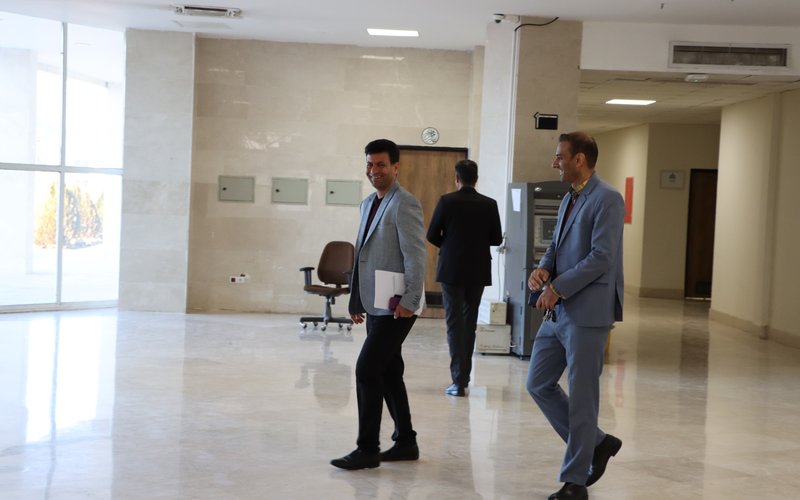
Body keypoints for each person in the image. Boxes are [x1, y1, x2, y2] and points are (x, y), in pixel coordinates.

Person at [526, 132, 625, 500]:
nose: (555, 162)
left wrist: (557, 288)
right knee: (538, 383)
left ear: (579, 159)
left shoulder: (608, 199)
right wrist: (543, 268)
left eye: (560, 156)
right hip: (559, 309)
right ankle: (597, 443)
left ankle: (575, 482)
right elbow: (555, 245)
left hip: (587, 313)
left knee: (583, 398)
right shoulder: (570, 196)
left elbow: (602, 257)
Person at [330, 139, 426, 470]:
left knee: (367, 369)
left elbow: (416, 256)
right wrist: (356, 298)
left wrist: (410, 300)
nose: (374, 170)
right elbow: (364, 256)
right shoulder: (367, 203)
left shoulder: (405, 203)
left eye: (381, 164)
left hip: (398, 305)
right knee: (389, 371)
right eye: (370, 164)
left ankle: (368, 448)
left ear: (395, 167)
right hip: (375, 302)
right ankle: (406, 442)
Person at [426, 159, 502, 397]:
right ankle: (464, 379)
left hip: (451, 269)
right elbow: (496, 239)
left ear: (457, 179)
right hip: (478, 270)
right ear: (476, 179)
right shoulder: (489, 204)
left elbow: (431, 234)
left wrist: (449, 245)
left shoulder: (447, 201)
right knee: (469, 324)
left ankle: (457, 381)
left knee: (454, 324)